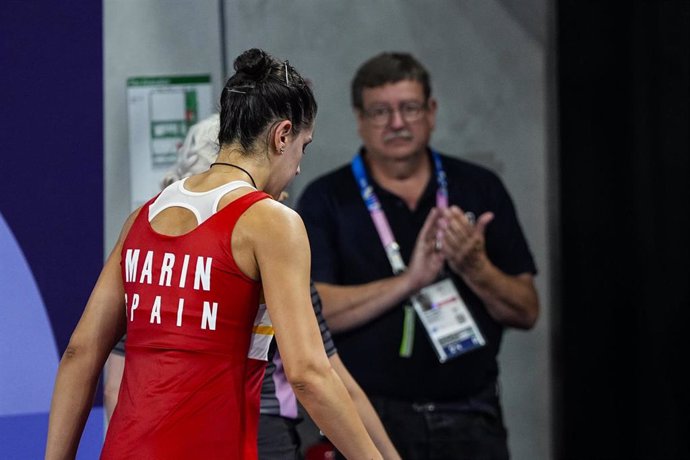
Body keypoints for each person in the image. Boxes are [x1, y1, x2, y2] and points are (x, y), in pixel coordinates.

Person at [45, 48, 382, 460]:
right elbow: (309, 375)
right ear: (282, 135)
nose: (296, 168)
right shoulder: (272, 223)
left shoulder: (141, 217)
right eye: (302, 148)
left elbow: (80, 353)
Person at [102, 113, 400, 459]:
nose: (290, 182)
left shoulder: (147, 245)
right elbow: (317, 374)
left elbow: (100, 375)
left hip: (148, 436)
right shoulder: (273, 239)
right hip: (253, 431)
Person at [296, 51, 540, 460]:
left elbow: (527, 311)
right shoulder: (326, 199)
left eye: (409, 108)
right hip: (369, 420)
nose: (396, 123)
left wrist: (476, 269)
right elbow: (311, 314)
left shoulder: (479, 188)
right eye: (380, 111)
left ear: (431, 111)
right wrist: (410, 281)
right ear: (360, 119)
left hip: (472, 416)